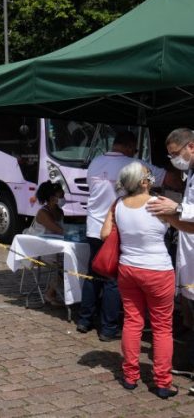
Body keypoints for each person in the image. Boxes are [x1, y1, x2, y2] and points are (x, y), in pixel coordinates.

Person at [77, 131, 180, 341]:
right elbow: (171, 180)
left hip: (94, 227)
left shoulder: (95, 162)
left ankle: (84, 319)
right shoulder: (135, 165)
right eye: (134, 149)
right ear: (130, 146)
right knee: (112, 281)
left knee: (93, 274)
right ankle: (108, 328)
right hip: (117, 229)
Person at [102, 162, 178, 398]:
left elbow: (104, 234)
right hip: (158, 270)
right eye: (148, 174)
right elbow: (183, 225)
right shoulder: (158, 203)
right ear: (144, 182)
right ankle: (163, 382)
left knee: (132, 321)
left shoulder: (117, 204)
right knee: (162, 327)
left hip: (128, 269)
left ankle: (130, 376)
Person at [146, 128, 194, 373]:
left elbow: (187, 210)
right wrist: (173, 215)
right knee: (190, 307)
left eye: (175, 154)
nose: (174, 160)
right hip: (189, 250)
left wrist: (177, 209)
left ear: (191, 146)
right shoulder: (191, 171)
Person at [25, 180, 65, 305]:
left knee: (72, 259)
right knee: (67, 262)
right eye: (61, 195)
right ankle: (50, 292)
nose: (63, 198)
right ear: (52, 197)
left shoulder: (60, 211)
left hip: (54, 247)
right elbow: (58, 230)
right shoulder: (43, 213)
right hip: (40, 249)